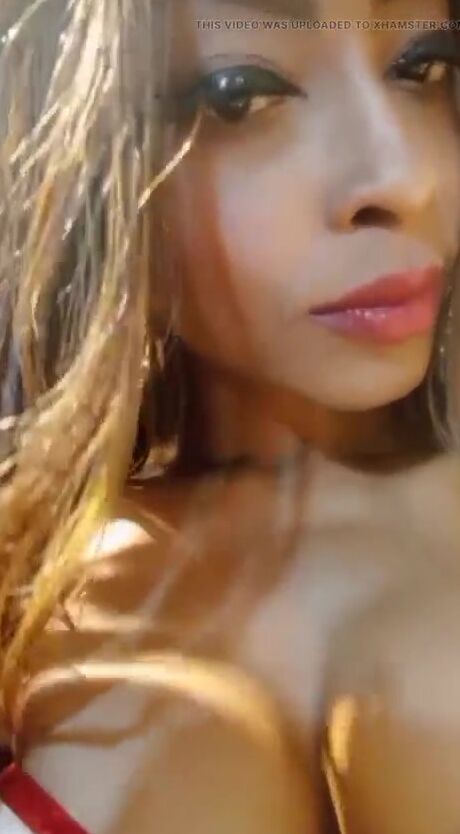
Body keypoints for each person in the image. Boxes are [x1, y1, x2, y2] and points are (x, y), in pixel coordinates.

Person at [1, 0, 460, 831]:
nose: (402, 176)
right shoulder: (26, 574)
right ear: (88, 161)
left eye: (423, 68)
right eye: (240, 96)